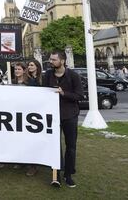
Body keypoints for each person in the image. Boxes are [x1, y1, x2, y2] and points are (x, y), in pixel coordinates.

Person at [43, 50, 83, 188]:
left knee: (71, 146)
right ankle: (56, 174)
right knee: (54, 145)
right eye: (50, 59)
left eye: (54, 59)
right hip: (53, 116)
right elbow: (43, 92)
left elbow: (79, 96)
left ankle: (68, 174)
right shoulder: (48, 75)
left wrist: (63, 93)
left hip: (70, 115)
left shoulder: (73, 76)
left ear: (62, 61)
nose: (51, 62)